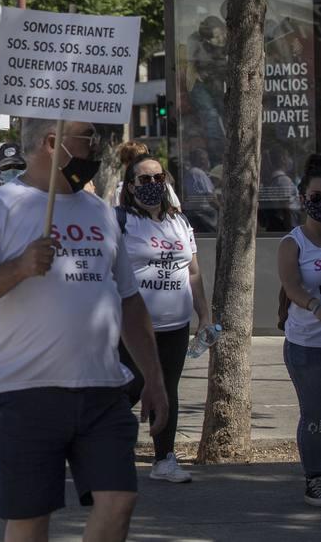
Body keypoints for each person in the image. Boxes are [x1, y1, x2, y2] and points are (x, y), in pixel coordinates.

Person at [0, 119, 168, 542]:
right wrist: (19, 267)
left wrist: (154, 378)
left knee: (119, 500)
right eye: (87, 138)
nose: (97, 147)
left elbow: (129, 299)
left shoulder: (100, 211)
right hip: (25, 390)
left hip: (103, 390)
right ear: (53, 142)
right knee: (31, 519)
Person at [117, 154, 210, 483]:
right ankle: (106, 448)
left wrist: (205, 314)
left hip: (175, 327)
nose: (154, 185)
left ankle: (164, 459)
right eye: (145, 180)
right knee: (129, 388)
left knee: (166, 389)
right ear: (131, 187)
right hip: (135, 327)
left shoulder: (180, 222)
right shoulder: (123, 221)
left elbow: (193, 272)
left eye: (159, 178)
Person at [278, 153, 321, 507]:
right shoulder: (293, 243)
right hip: (307, 345)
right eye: (316, 196)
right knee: (315, 414)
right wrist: (314, 305)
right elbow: (292, 286)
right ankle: (315, 478)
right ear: (304, 198)